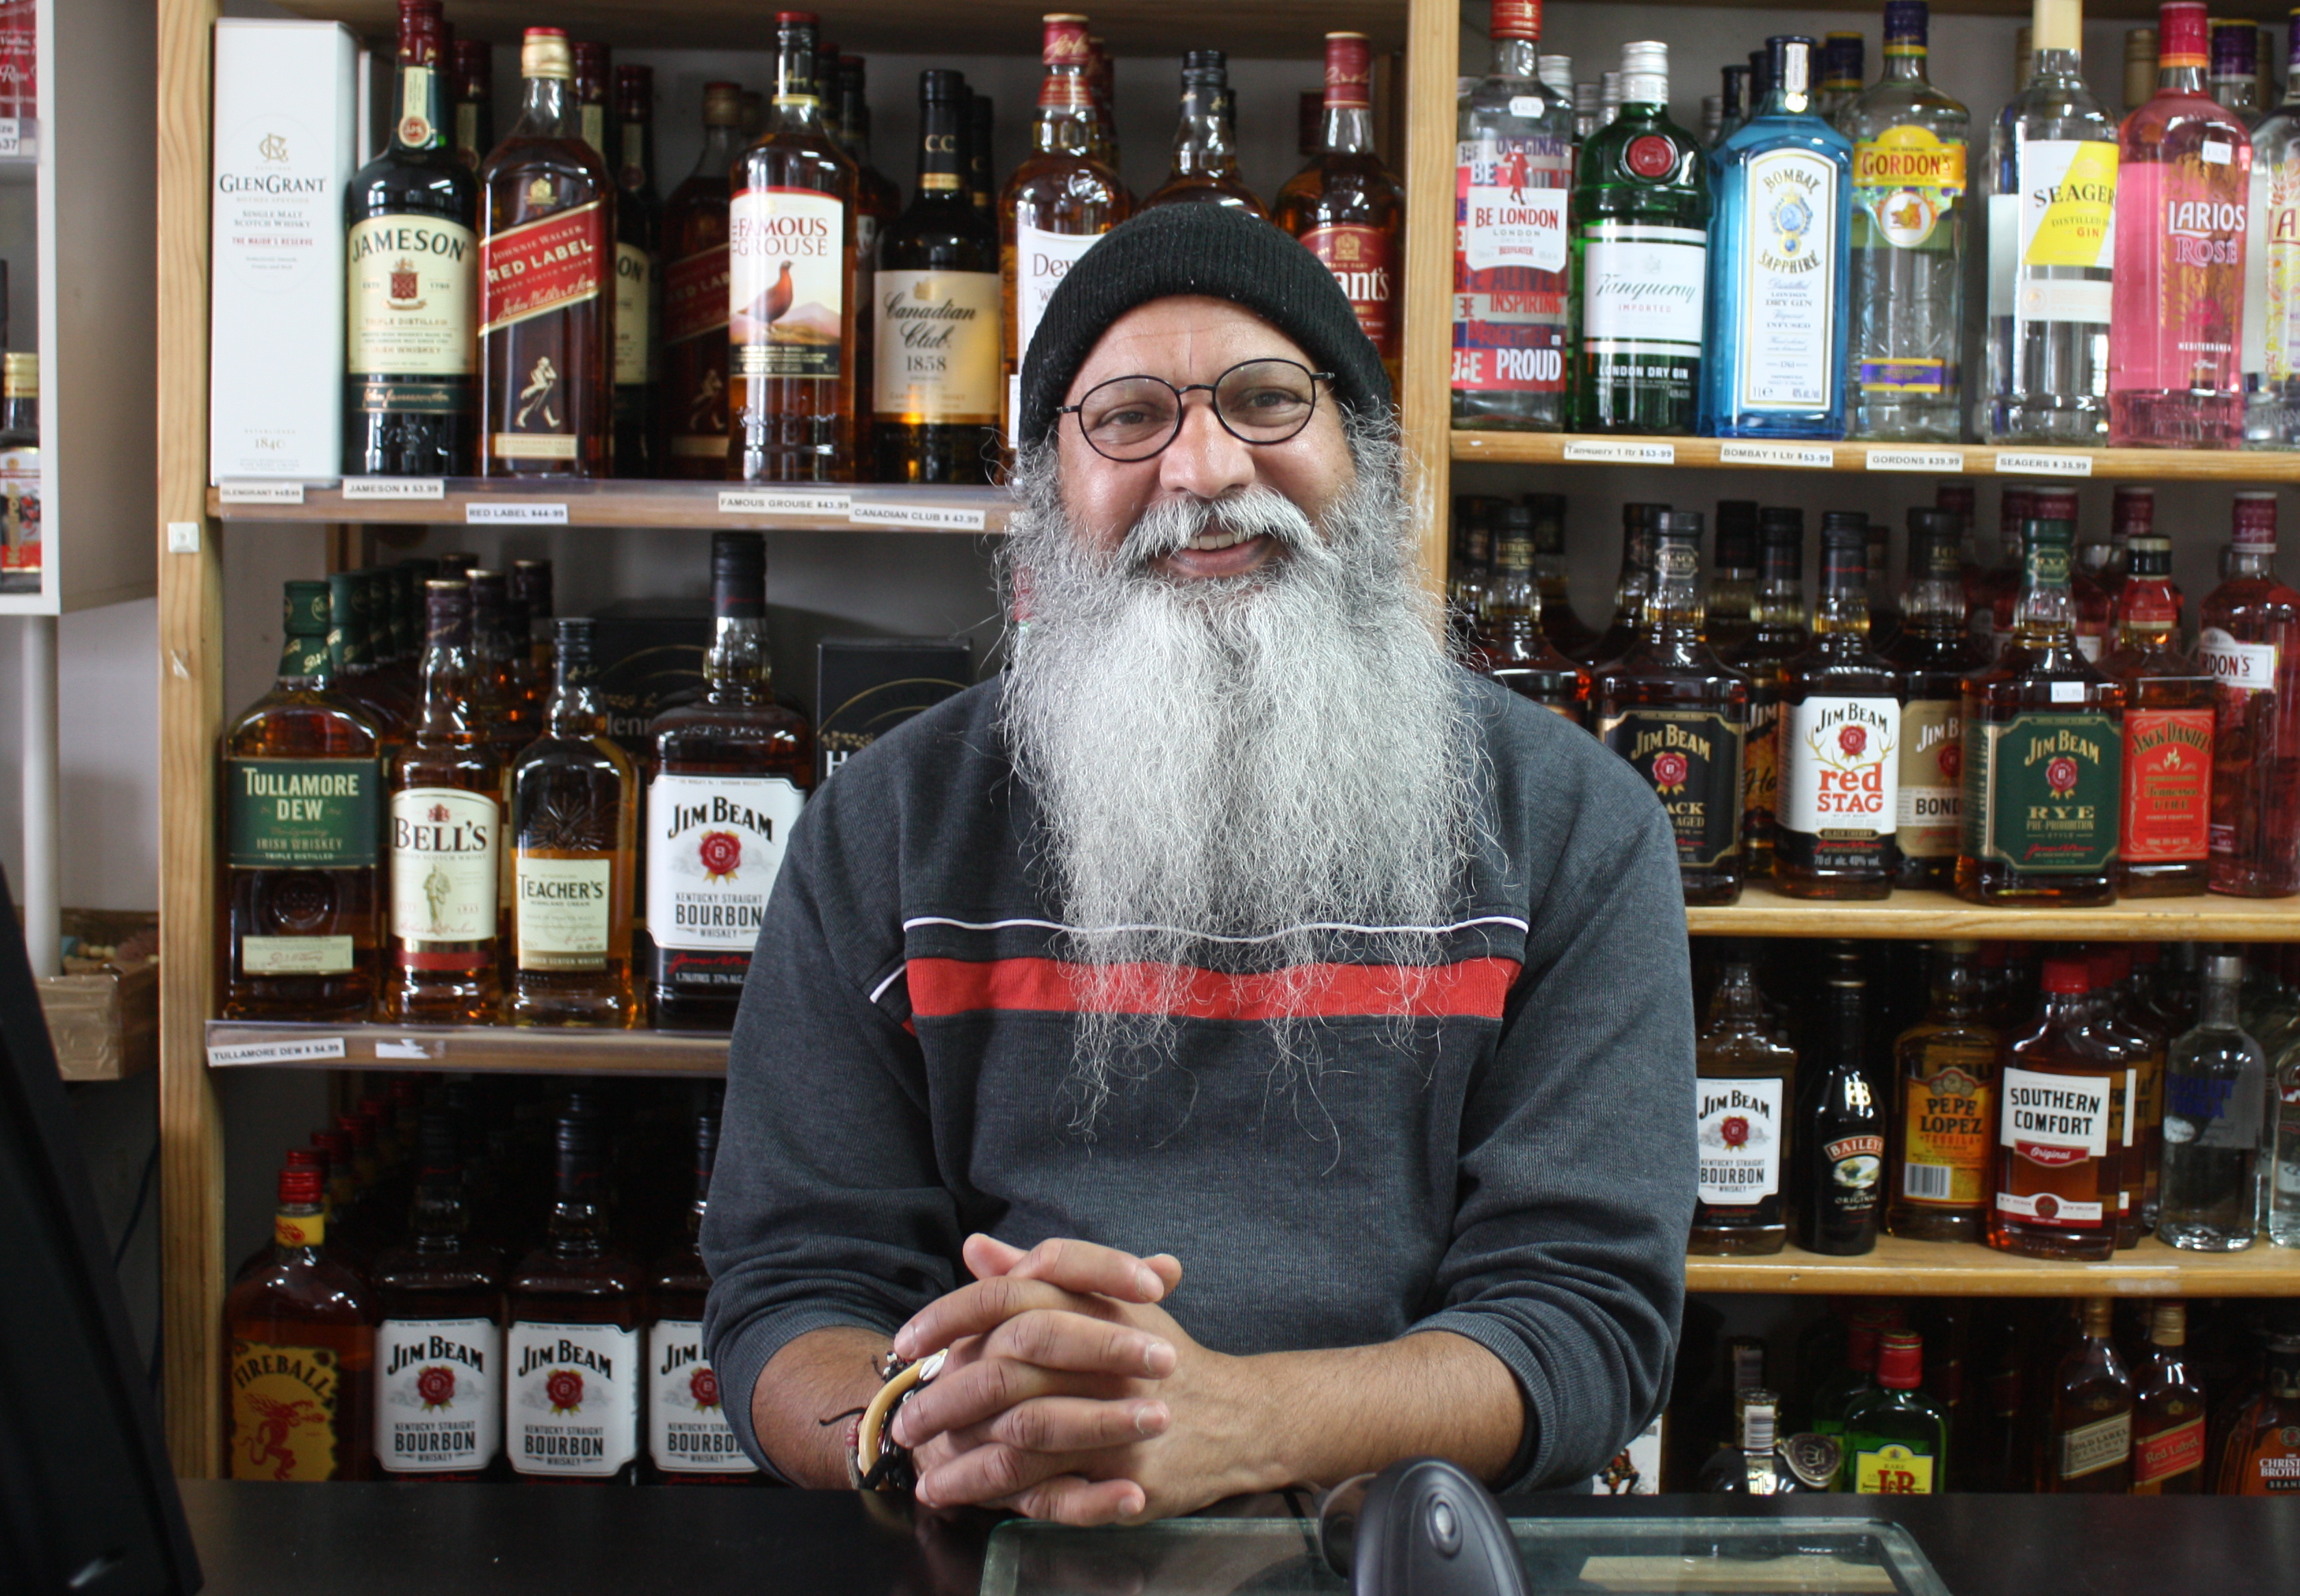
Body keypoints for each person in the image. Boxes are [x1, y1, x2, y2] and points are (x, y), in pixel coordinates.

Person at [702, 200, 1693, 1523]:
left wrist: (1238, 1423)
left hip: (1403, 1547)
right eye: (1128, 419)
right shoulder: (882, 825)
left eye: (1267, 400)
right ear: (1050, 491)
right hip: (1003, 1533)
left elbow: (1590, 1317)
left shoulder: (1578, 823)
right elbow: (787, 1292)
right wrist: (935, 1430)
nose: (1205, 469)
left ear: (1366, 452)